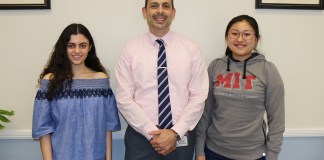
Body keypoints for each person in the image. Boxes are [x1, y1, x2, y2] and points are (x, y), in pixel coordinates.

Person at [115, 0, 209, 159]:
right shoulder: (130, 50)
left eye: (166, 6)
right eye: (154, 6)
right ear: (144, 12)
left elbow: (199, 95)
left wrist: (175, 132)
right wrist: (151, 133)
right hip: (141, 138)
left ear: (173, 12)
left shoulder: (191, 49)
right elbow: (124, 98)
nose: (160, 11)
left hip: (180, 138)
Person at [195, 14, 285, 160]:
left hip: (253, 154)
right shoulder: (216, 66)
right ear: (227, 37)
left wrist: (272, 156)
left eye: (247, 34)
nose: (240, 39)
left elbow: (277, 121)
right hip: (214, 151)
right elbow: (205, 113)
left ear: (257, 39)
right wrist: (199, 152)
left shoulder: (268, 70)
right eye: (234, 34)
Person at [32, 23, 121, 160]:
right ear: (64, 48)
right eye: (71, 45)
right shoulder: (49, 81)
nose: (77, 51)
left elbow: (107, 126)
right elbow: (44, 129)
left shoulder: (101, 80)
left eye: (83, 45)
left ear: (89, 47)